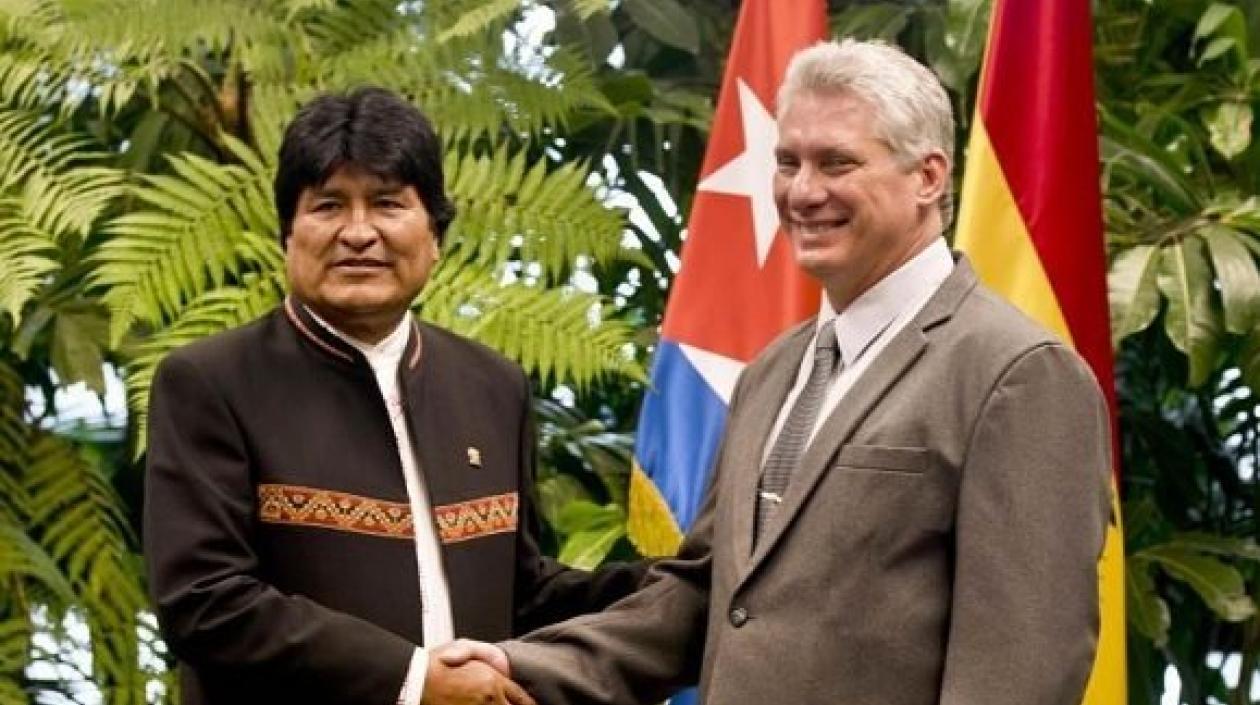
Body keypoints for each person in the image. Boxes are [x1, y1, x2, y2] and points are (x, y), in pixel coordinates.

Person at [438, 38, 1112, 705]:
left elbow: (1019, 673)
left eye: (837, 162)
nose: (803, 190)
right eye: (788, 161)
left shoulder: (1018, 374)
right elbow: (705, 596)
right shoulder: (773, 370)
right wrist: (519, 664)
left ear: (929, 177)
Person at [143, 87, 644, 705]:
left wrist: (686, 586)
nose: (359, 233)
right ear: (286, 236)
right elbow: (204, 602)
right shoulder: (211, 382)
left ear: (434, 236)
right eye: (328, 206)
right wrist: (413, 681)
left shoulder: (494, 385)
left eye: (387, 204)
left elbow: (522, 592)